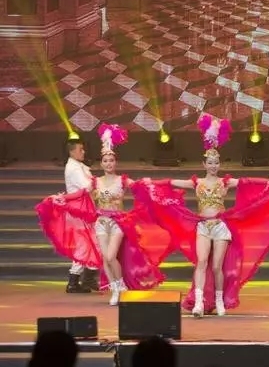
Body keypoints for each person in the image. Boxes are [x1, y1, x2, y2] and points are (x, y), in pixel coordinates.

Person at [134, 114, 269, 317]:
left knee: (218, 266)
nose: (213, 166)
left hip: (220, 227)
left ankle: (219, 300)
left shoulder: (224, 182)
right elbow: (170, 182)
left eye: (216, 162)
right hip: (203, 227)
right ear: (204, 164)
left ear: (219, 164)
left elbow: (248, 182)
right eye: (210, 162)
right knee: (202, 262)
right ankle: (199, 302)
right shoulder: (197, 183)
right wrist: (149, 183)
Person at [36, 124, 170, 305]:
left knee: (110, 256)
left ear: (115, 162)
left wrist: (156, 187)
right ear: (102, 163)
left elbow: (140, 187)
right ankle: (115, 289)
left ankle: (121, 286)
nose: (108, 163)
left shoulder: (123, 180)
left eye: (111, 160)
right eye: (105, 161)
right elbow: (80, 193)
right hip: (101, 222)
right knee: (105, 258)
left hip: (118, 222)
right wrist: (61, 198)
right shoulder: (95, 182)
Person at [62, 139, 98, 293]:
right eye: (80, 149)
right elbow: (86, 186)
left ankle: (85, 279)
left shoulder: (78, 166)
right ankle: (76, 280)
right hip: (79, 210)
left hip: (83, 209)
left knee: (90, 243)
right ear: (72, 152)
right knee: (85, 244)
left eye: (83, 149)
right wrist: (99, 183)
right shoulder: (74, 168)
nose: (83, 152)